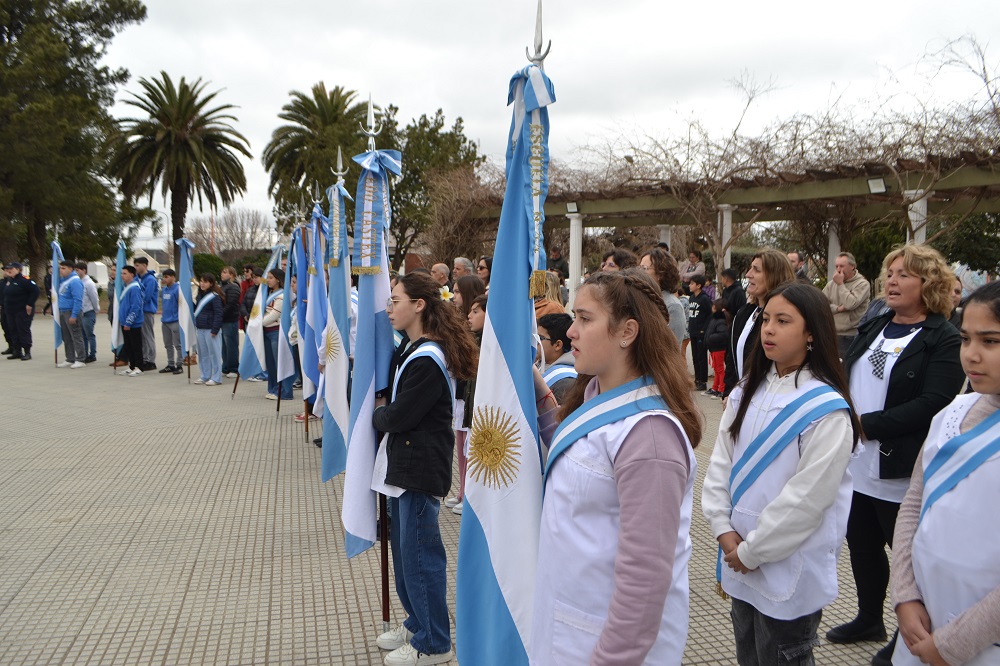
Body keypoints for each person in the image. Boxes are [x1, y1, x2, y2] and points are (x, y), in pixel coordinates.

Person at [529, 268, 701, 664]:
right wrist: (537, 390)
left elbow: (645, 578)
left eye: (585, 319)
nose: (571, 331)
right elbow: (580, 459)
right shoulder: (595, 396)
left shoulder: (650, 433)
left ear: (627, 332)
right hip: (570, 627)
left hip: (606, 647)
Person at [702, 282, 858, 666]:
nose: (768, 329)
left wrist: (753, 552)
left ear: (811, 334)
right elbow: (721, 462)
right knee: (749, 656)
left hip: (786, 562)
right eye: (767, 319)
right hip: (738, 553)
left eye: (783, 321)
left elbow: (807, 499)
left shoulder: (826, 409)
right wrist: (722, 527)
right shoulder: (745, 392)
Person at [828, 244, 965, 666]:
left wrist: (867, 425)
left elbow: (933, 403)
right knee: (862, 545)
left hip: (901, 466)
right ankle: (870, 617)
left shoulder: (944, 338)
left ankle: (912, 635)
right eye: (890, 272)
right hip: (858, 463)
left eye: (904, 274)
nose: (891, 280)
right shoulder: (877, 324)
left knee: (906, 555)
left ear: (930, 284)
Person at [890, 281, 1000, 666]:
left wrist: (954, 644)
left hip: (981, 644)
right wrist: (904, 595)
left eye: (990, 342)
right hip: (920, 625)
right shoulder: (952, 412)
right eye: (966, 339)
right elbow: (914, 503)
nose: (972, 355)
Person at [372, 272, 478, 665]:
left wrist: (377, 413)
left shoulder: (428, 358)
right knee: (404, 555)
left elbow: (399, 415)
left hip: (419, 467)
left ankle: (435, 643)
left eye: (395, 300)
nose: (389, 308)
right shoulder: (412, 348)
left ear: (419, 305)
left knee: (420, 558)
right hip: (405, 465)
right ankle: (418, 622)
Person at [722, 250, 795, 400]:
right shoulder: (745, 313)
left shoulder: (786, 319)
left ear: (774, 275)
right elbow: (732, 357)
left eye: (756, 270)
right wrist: (729, 392)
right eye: (750, 268)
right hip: (740, 400)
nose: (748, 274)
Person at [444, 276, 485, 514]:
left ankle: (469, 494)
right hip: (462, 394)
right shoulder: (463, 325)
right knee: (461, 442)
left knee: (469, 444)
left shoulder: (481, 337)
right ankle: (462, 490)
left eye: (458, 291)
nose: (454, 295)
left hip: (472, 397)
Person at [822, 251, 870, 358]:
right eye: (837, 266)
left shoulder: (862, 284)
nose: (838, 269)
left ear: (852, 266)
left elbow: (850, 304)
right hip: (833, 332)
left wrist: (840, 284)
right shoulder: (831, 284)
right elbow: (821, 305)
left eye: (842, 266)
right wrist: (837, 309)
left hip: (850, 335)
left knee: (844, 368)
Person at [640, 247, 685, 346]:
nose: (639, 272)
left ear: (661, 273)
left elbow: (672, 347)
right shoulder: (642, 298)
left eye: (644, 268)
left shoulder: (673, 306)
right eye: (639, 267)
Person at [262, 268, 292, 400]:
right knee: (271, 364)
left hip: (276, 332)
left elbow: (274, 315)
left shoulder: (281, 295)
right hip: (266, 332)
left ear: (278, 280)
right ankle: (273, 388)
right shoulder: (267, 294)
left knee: (279, 362)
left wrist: (257, 324)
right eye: (267, 277)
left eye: (270, 278)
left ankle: (284, 391)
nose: (268, 280)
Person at [537, 312, 577, 403]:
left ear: (557, 345)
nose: (536, 342)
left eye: (540, 338)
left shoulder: (566, 381)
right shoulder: (541, 363)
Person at [2, 262, 39, 361]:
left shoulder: (24, 280)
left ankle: (27, 352)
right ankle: (17, 351)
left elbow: (35, 291)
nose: (9, 270)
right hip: (10, 310)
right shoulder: (9, 280)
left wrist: (30, 304)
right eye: (7, 269)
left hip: (21, 310)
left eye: (11, 268)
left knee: (23, 330)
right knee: (13, 330)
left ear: (18, 269)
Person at [193, 273, 224, 386]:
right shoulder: (200, 295)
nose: (202, 283)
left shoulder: (215, 296)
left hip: (211, 329)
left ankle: (216, 377)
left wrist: (215, 329)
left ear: (211, 283)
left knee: (214, 354)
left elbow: (218, 313)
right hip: (200, 327)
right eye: (201, 281)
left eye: (205, 282)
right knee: (203, 354)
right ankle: (205, 375)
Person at [56, 260, 86, 368]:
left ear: (71, 269)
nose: (61, 270)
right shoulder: (64, 280)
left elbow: (78, 299)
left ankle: (81, 359)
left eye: (64, 268)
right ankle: (70, 357)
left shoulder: (75, 281)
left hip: (71, 311)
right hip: (63, 311)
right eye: (60, 268)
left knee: (76, 335)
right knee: (66, 336)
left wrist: (74, 315)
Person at [118, 265, 145, 376]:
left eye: (125, 273)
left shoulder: (134, 288)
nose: (122, 276)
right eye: (122, 273)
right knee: (128, 345)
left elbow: (136, 306)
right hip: (124, 322)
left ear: (132, 274)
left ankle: (139, 367)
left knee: (136, 346)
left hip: (133, 323)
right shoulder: (126, 287)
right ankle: (132, 366)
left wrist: (129, 321)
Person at [688, 274, 712, 392]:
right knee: (695, 357)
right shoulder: (692, 298)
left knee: (701, 357)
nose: (690, 286)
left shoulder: (704, 299)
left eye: (692, 284)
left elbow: (710, 314)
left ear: (699, 286)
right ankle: (697, 380)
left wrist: (704, 329)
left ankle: (703, 381)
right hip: (692, 331)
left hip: (701, 333)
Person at [134, 257, 158, 370]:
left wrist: (138, 303)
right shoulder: (138, 279)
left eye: (138, 265)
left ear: (145, 265)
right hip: (139, 311)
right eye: (135, 265)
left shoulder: (150, 280)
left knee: (148, 335)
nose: (136, 268)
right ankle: (144, 358)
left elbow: (146, 296)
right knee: (141, 336)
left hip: (147, 310)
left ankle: (151, 360)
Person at [158, 269, 182, 374]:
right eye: (164, 277)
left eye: (167, 276)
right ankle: (170, 364)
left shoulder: (177, 289)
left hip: (175, 320)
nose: (165, 279)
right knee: (168, 344)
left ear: (173, 277)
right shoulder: (164, 290)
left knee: (178, 344)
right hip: (165, 321)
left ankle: (180, 364)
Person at [704, 299, 729, 398]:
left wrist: (710, 338)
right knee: (716, 369)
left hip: (719, 348)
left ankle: (721, 389)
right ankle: (715, 388)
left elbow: (723, 334)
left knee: (719, 369)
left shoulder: (720, 321)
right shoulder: (714, 319)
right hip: (714, 348)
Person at [75, 263, 100, 363]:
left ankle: (92, 354)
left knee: (89, 334)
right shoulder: (79, 282)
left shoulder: (89, 283)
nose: (77, 272)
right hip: (81, 312)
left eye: (78, 270)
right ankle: (84, 354)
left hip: (88, 311)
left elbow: (94, 297)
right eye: (75, 270)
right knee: (82, 335)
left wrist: (96, 309)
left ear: (84, 270)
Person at [220, 266, 242, 378]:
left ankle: (233, 368)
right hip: (224, 320)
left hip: (230, 320)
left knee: (231, 344)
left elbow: (231, 304)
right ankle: (225, 367)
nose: (222, 274)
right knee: (224, 345)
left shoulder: (233, 287)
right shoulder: (223, 287)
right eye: (222, 272)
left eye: (225, 272)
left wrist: (220, 315)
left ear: (232, 275)